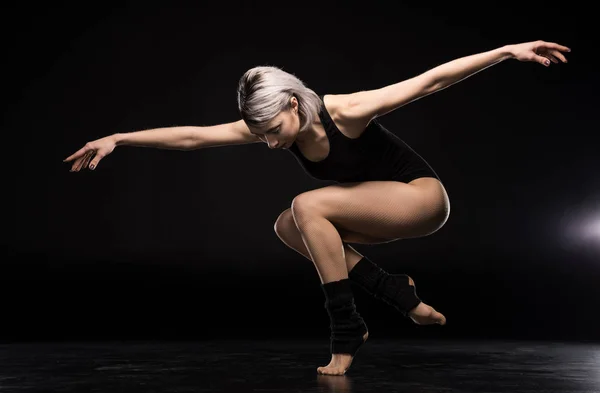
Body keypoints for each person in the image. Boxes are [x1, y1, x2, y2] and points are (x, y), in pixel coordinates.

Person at [64, 39, 570, 375]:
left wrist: (506, 51)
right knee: (288, 225)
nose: (267, 144)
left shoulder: (344, 111)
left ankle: (346, 330)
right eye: (258, 136)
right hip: (374, 209)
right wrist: (120, 138)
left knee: (306, 204)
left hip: (421, 199)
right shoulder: (273, 127)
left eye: (273, 132)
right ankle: (395, 292)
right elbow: (195, 137)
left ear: (292, 105)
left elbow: (429, 81)